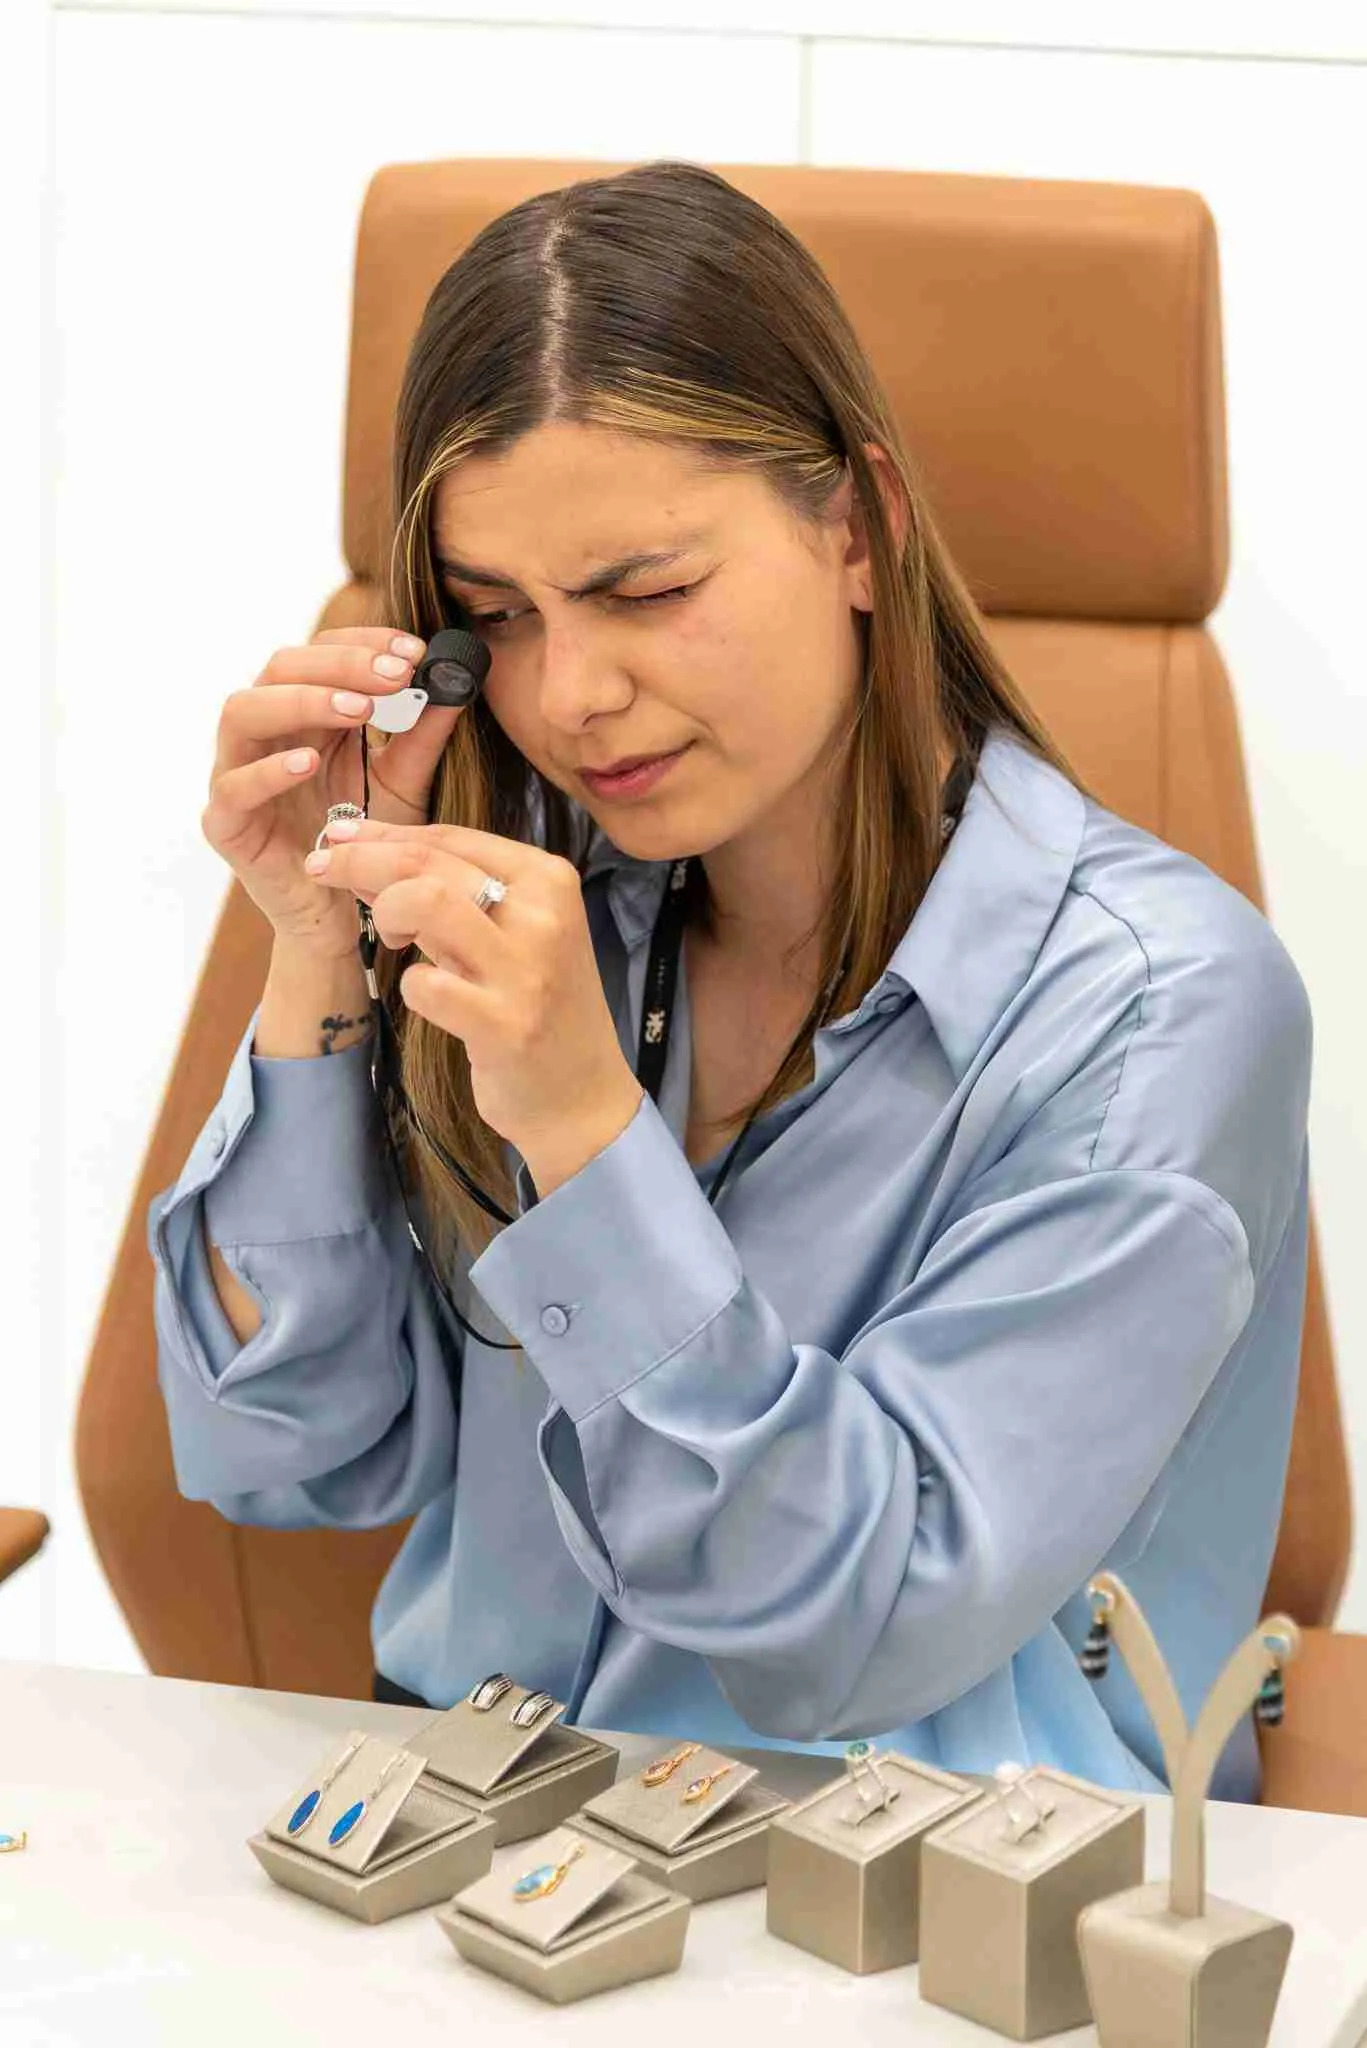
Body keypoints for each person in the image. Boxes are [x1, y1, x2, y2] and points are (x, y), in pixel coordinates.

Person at [148, 160, 1312, 1801]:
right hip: (480, 1816)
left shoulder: (1157, 1013)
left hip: (920, 1868)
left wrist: (583, 1132)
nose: (572, 695)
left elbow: (868, 1621)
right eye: (499, 619)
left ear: (859, 528)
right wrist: (315, 948)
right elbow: (287, 1453)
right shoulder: (545, 911)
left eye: (647, 592)